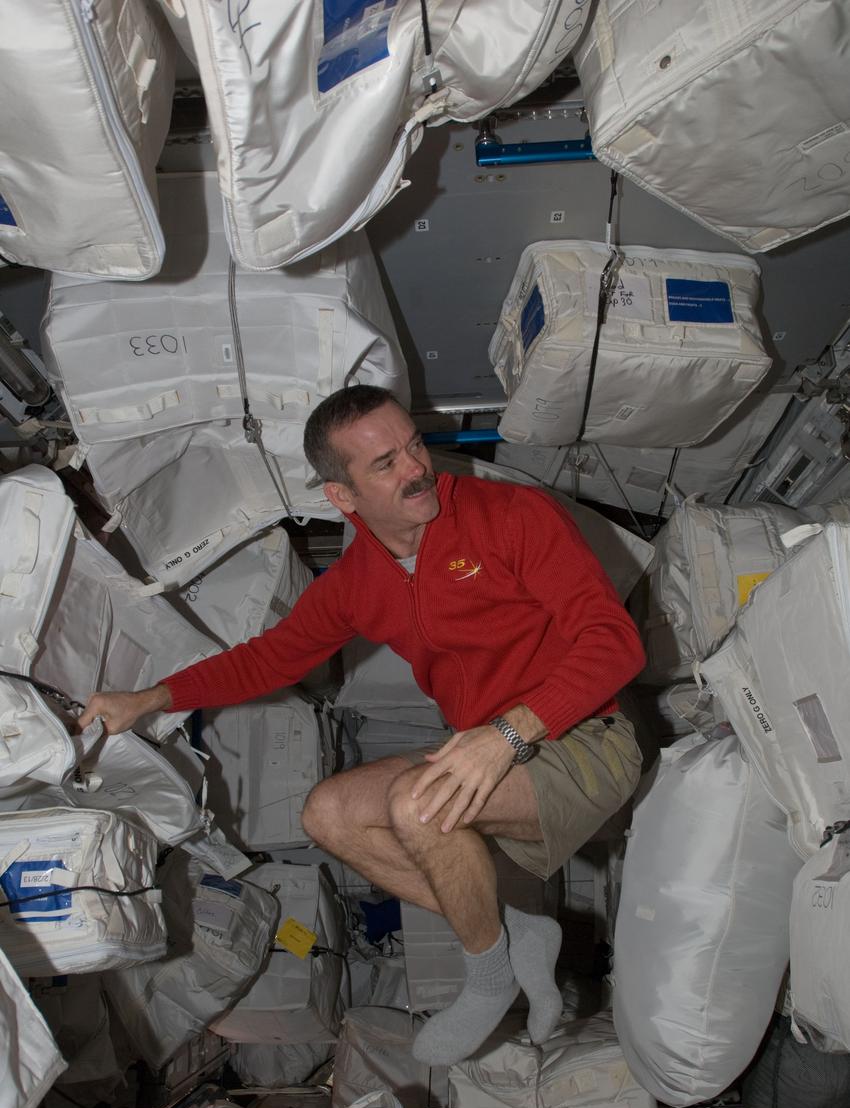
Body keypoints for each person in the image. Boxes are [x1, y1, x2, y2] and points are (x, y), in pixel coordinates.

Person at [80, 386, 645, 1066]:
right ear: (342, 497)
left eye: (413, 446)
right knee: (328, 814)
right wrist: (150, 699)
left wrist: (507, 735)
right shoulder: (356, 583)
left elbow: (615, 644)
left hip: (583, 738)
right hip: (490, 745)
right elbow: (269, 659)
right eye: (385, 463)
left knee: (419, 807)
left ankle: (489, 978)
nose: (415, 468)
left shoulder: (512, 517)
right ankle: (517, 935)